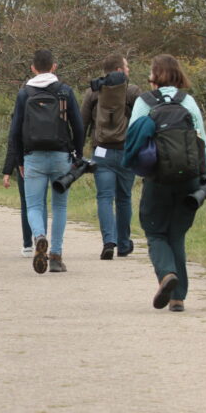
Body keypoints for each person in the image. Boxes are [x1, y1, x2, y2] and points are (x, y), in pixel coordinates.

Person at [127, 54, 206, 312]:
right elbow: (201, 140)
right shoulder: (189, 102)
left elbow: (133, 139)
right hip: (189, 177)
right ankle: (178, 298)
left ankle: (166, 275)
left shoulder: (144, 102)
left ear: (154, 76)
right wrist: (204, 176)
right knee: (177, 234)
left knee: (154, 231)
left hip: (158, 178)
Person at [7, 50, 85, 274]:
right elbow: (78, 127)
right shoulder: (65, 91)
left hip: (33, 157)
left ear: (32, 68)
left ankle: (39, 236)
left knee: (33, 205)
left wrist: (19, 160)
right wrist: (77, 156)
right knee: (59, 206)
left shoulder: (24, 93)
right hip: (61, 156)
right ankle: (56, 256)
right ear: (54, 66)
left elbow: (15, 131)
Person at [81, 54, 142, 260]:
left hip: (101, 153)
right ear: (118, 69)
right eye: (126, 66)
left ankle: (109, 241)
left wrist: (76, 153)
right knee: (124, 198)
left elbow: (82, 124)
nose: (128, 70)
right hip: (126, 152)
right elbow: (142, 120)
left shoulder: (92, 92)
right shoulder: (132, 91)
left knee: (104, 198)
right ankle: (124, 244)